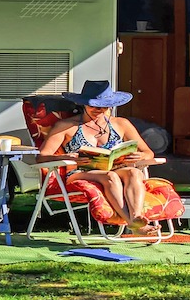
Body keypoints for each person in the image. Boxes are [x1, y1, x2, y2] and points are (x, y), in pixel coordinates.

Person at [36, 80, 160, 233]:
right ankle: (132, 223)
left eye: (103, 106)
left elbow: (148, 152)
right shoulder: (67, 126)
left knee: (134, 172)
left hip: (115, 168)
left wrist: (138, 156)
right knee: (110, 177)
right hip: (79, 172)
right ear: (83, 104)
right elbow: (42, 156)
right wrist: (70, 158)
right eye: (93, 105)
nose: (98, 109)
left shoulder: (121, 124)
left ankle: (136, 217)